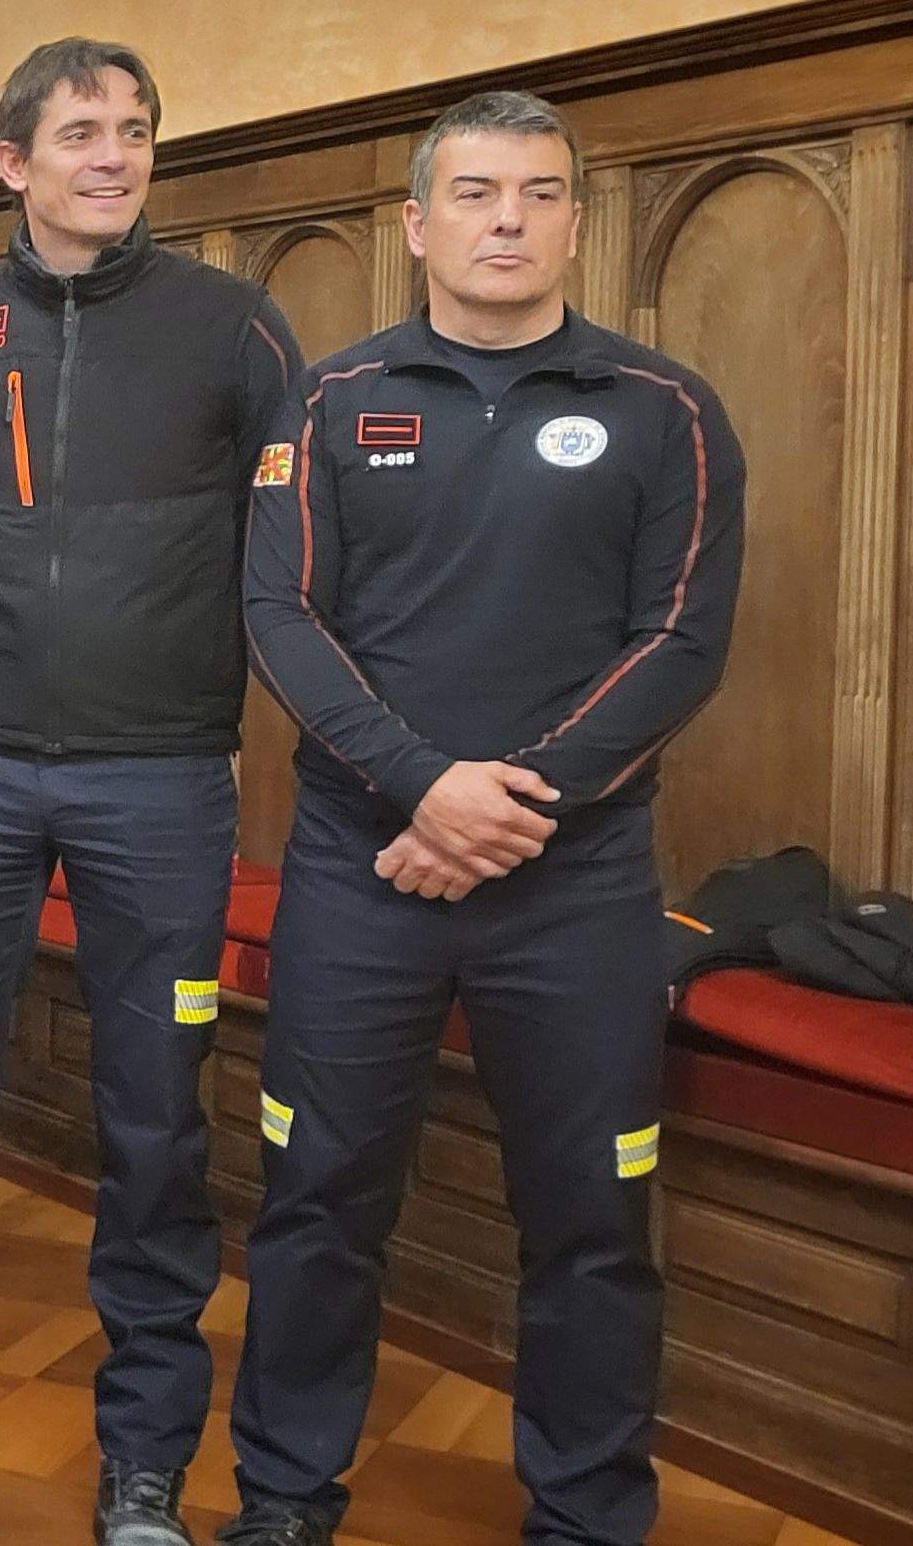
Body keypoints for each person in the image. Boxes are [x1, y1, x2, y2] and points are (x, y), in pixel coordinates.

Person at [224, 91, 742, 1546]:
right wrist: (422, 786)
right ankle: (283, 1494)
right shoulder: (328, 401)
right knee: (317, 1199)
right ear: (416, 224)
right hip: (359, 869)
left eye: (538, 192)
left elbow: (682, 641)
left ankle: (585, 1515)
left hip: (574, 891)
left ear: (579, 217)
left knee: (592, 1223)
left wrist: (514, 804)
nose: (507, 217)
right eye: (474, 193)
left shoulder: (667, 410)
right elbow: (282, 614)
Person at [0, 40, 301, 1546]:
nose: (115, 156)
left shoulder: (235, 331)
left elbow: (291, 563)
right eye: (82, 132)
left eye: (136, 131)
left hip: (160, 781)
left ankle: (145, 1465)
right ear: (13, 162)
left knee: (159, 1128)